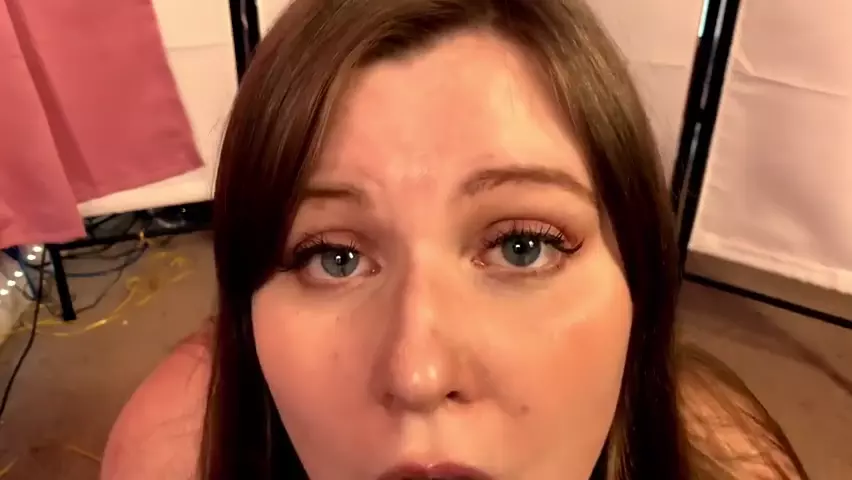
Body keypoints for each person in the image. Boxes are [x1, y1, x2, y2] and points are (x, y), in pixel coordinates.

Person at [101, 0, 809, 479]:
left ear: (638, 284)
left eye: (522, 246)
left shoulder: (733, 463)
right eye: (334, 258)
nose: (418, 375)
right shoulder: (168, 457)